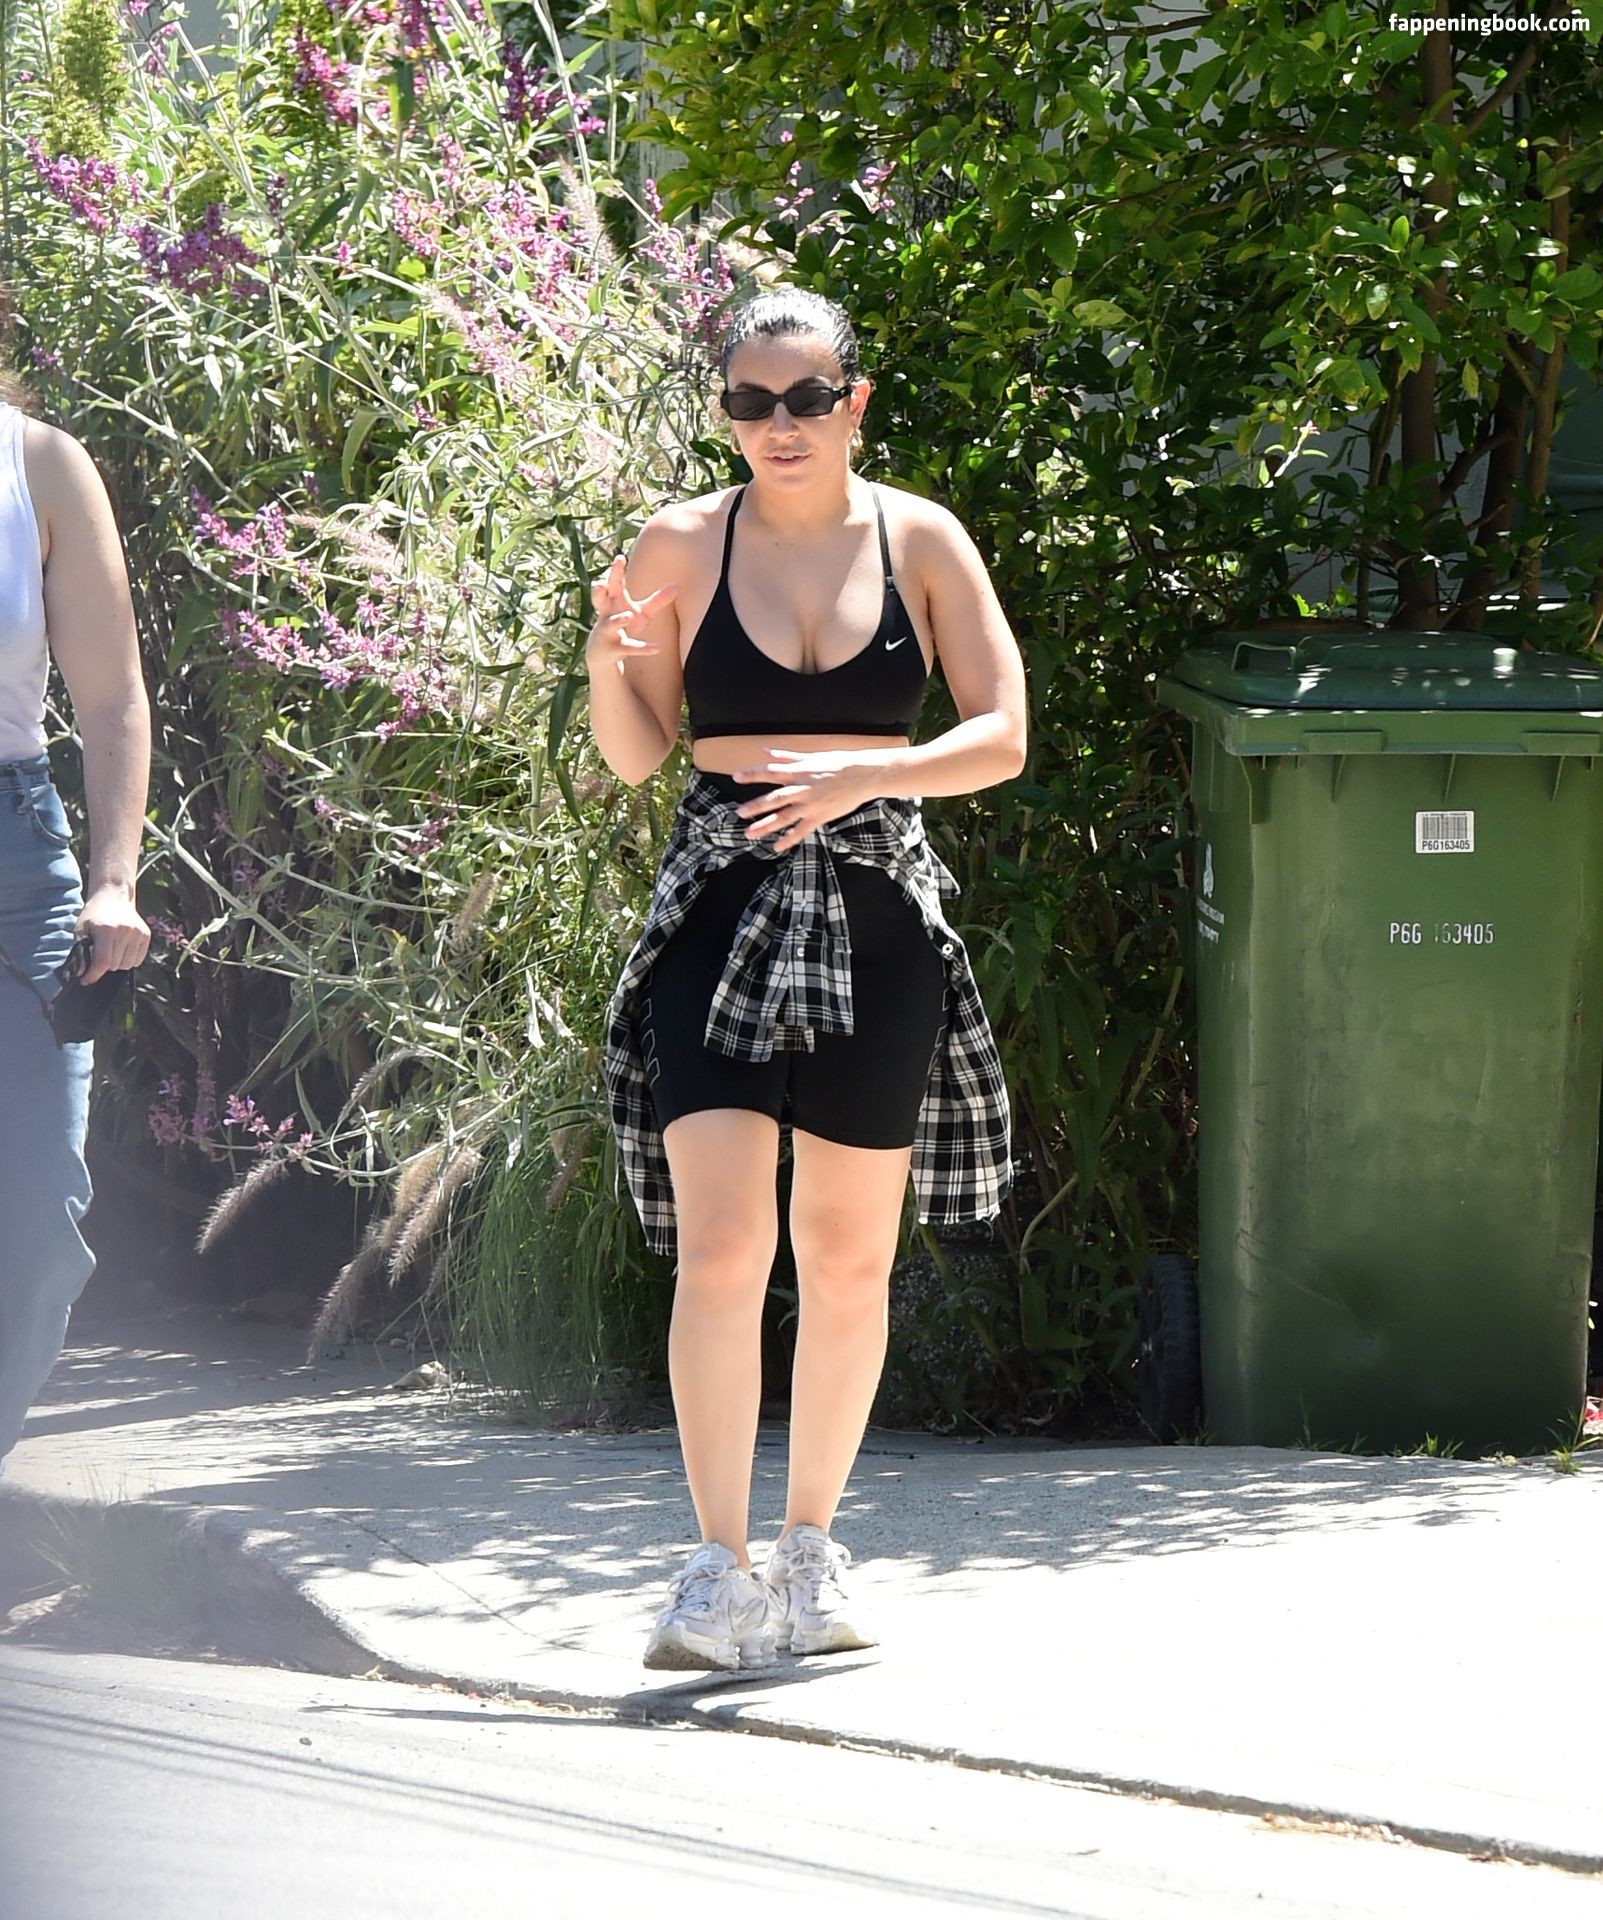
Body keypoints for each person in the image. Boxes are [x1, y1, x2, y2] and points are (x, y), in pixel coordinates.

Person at [589, 287, 1026, 1671]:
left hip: (875, 904)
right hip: (717, 900)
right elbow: (635, 753)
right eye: (748, 401)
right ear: (724, 412)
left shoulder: (920, 539)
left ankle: (809, 1553)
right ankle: (713, 1573)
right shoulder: (678, 541)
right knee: (725, 1247)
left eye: (805, 397)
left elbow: (1002, 735)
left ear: (853, 401)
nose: (778, 424)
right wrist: (611, 658)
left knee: (845, 1257)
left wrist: (863, 774)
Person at [0, 290, 151, 1471]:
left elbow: (111, 701)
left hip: (16, 856)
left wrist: (113, 880)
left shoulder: (40, 467)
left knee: (41, 1217)